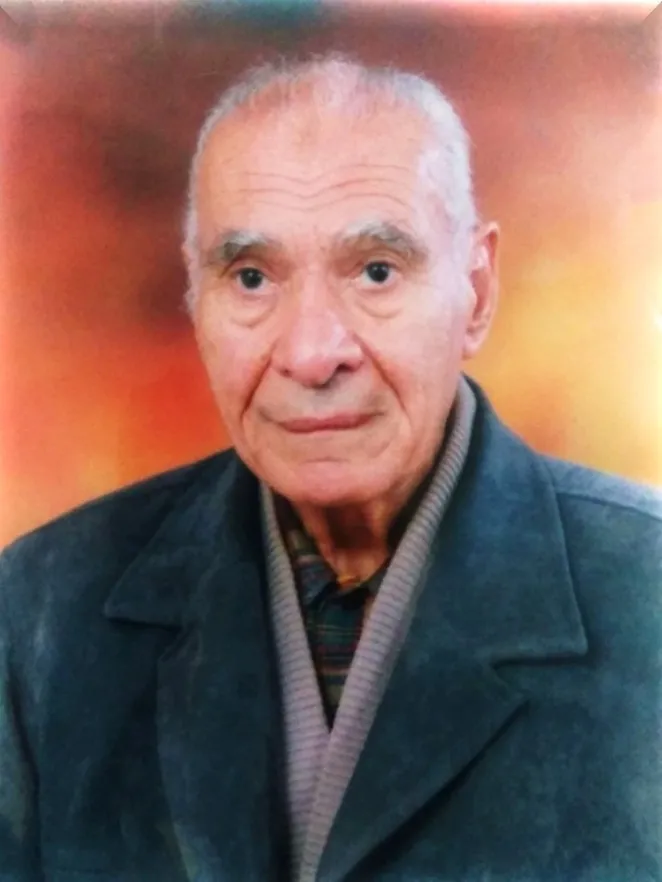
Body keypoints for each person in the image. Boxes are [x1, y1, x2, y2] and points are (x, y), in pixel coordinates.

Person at [1, 54, 660, 882]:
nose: (313, 354)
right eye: (251, 278)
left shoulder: (647, 591)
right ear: (195, 298)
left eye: (376, 271)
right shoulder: (42, 612)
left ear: (477, 291)